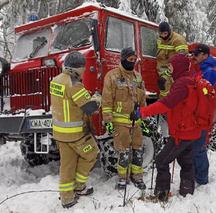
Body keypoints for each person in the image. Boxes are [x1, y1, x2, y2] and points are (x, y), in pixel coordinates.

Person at [130, 54, 202, 201]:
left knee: (161, 160)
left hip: (182, 132)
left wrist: (142, 112)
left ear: (179, 67)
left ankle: (161, 194)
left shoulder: (182, 84)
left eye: (171, 66)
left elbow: (166, 103)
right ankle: (187, 191)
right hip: (190, 130)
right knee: (186, 161)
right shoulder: (189, 80)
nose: (169, 69)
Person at [50, 51, 101, 208]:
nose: (84, 71)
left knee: (67, 165)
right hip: (76, 134)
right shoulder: (74, 84)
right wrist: (98, 98)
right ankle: (79, 187)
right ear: (77, 68)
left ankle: (66, 197)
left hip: (60, 133)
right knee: (91, 155)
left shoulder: (56, 80)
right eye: (83, 68)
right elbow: (90, 108)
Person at [102, 47, 146, 190]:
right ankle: (123, 178)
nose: (132, 62)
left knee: (138, 149)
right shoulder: (112, 76)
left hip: (136, 122)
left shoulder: (138, 77)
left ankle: (137, 176)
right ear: (123, 59)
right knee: (123, 151)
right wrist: (108, 121)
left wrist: (142, 113)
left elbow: (143, 98)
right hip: (120, 123)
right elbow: (107, 100)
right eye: (130, 59)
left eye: (134, 60)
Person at [191, 43, 216, 185]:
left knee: (199, 147)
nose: (193, 56)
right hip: (197, 113)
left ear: (205, 55)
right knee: (194, 146)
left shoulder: (210, 72)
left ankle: (202, 179)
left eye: (196, 54)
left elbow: (205, 95)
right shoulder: (199, 70)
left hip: (204, 114)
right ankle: (197, 175)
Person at [157, 21, 188, 98]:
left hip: (172, 70)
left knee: (164, 83)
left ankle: (167, 104)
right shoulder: (160, 40)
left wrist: (171, 71)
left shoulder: (178, 40)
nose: (163, 36)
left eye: (165, 34)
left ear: (169, 32)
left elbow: (182, 59)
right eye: (161, 34)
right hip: (161, 69)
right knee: (162, 85)